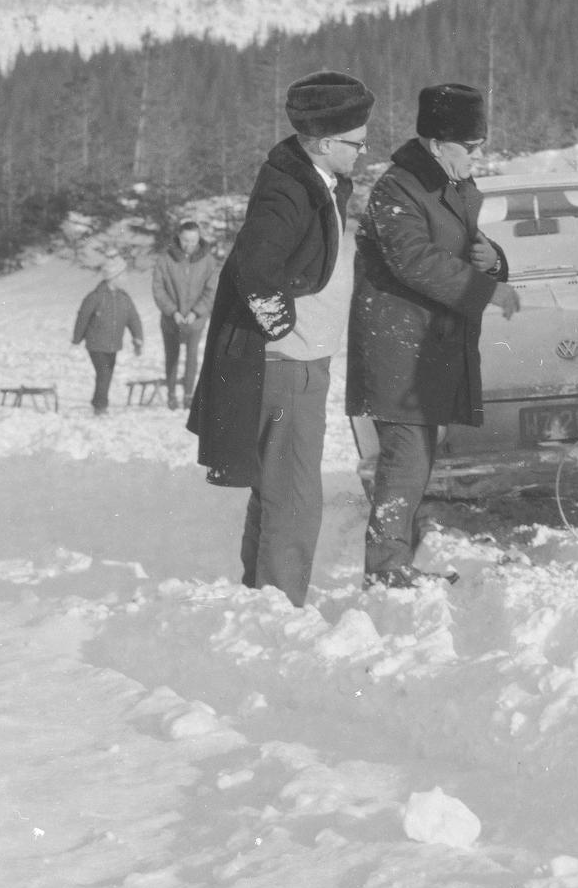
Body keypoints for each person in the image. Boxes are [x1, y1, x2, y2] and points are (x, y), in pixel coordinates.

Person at [189, 69, 373, 608]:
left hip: (299, 359)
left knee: (277, 483)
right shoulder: (288, 191)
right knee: (294, 490)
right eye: (356, 142)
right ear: (321, 143)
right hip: (289, 363)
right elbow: (255, 267)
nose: (363, 151)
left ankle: (263, 596)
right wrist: (282, 326)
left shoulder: (316, 181)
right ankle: (283, 603)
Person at [347, 82, 520, 588]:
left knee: (416, 457)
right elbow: (415, 260)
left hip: (428, 347)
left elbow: (463, 248)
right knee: (406, 458)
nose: (476, 157)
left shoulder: (451, 186)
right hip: (398, 346)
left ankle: (396, 558)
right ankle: (385, 569)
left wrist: (494, 262)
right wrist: (485, 291)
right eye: (469, 148)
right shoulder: (396, 189)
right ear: (437, 144)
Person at [151, 219, 219, 409]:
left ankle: (189, 395)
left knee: (192, 357)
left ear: (199, 238)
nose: (189, 245)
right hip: (171, 321)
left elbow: (211, 290)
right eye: (185, 240)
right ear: (178, 238)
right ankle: (172, 394)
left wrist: (197, 312)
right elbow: (158, 288)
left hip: (194, 322)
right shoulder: (165, 260)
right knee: (171, 356)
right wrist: (172, 311)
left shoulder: (208, 261)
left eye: (193, 240)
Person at [71, 256, 144, 414]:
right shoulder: (95, 297)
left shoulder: (124, 298)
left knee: (107, 374)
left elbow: (133, 318)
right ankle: (100, 406)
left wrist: (137, 338)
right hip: (96, 344)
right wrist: (76, 340)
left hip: (113, 345)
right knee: (104, 373)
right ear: (114, 277)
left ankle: (99, 402)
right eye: (123, 274)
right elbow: (82, 318)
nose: (126, 278)